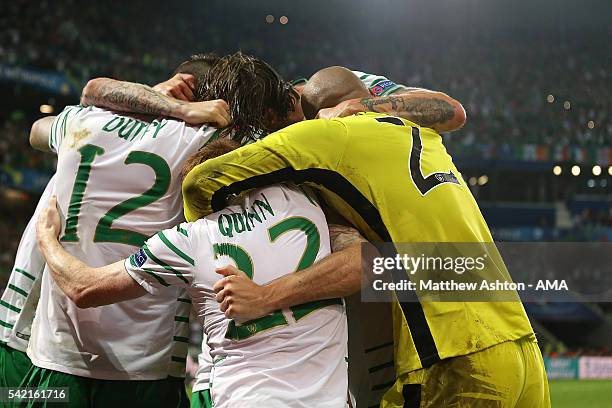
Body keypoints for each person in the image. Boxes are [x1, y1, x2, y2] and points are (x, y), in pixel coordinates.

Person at [180, 67, 550, 407]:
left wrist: (218, 243)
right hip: (520, 344)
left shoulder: (325, 135)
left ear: (313, 112)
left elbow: (201, 182)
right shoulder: (423, 133)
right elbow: (451, 110)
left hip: (452, 355)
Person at [19, 52, 296, 407]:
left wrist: (159, 101)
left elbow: (50, 121)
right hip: (144, 364)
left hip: (55, 354)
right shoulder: (207, 143)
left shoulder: (83, 120)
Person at [35, 138, 351, 408]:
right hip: (333, 398)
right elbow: (379, 266)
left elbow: (84, 289)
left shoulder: (188, 238)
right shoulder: (303, 196)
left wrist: (47, 239)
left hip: (245, 396)